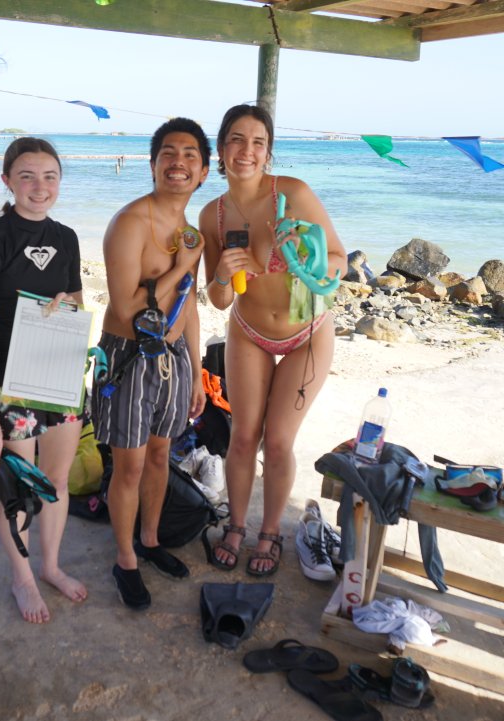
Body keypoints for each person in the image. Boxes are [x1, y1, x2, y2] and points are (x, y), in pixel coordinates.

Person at [198, 104, 346, 577]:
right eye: (236, 140)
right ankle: (237, 527)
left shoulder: (294, 194)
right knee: (243, 437)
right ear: (221, 150)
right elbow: (219, 300)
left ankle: (271, 533)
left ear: (268, 151)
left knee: (278, 442)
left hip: (307, 333)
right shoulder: (212, 215)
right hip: (248, 331)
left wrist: (312, 263)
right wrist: (222, 273)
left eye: (258, 142)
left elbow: (338, 258)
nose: (247, 150)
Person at [0, 137, 87, 623]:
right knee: (20, 486)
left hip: (57, 374)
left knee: (56, 479)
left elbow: (76, 300)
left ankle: (51, 565)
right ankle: (22, 577)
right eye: (28, 176)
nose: (40, 187)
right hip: (8, 383)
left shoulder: (68, 237)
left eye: (50, 177)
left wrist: (67, 305)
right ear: (7, 181)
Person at [91, 118, 209, 610]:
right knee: (129, 465)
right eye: (167, 152)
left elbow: (192, 303)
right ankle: (125, 559)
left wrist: (197, 368)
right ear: (154, 162)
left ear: (203, 171)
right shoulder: (130, 223)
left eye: (188, 155)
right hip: (128, 358)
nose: (177, 162)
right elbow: (126, 309)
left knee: (162, 456)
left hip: (175, 359)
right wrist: (182, 266)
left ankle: (151, 539)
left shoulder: (190, 232)